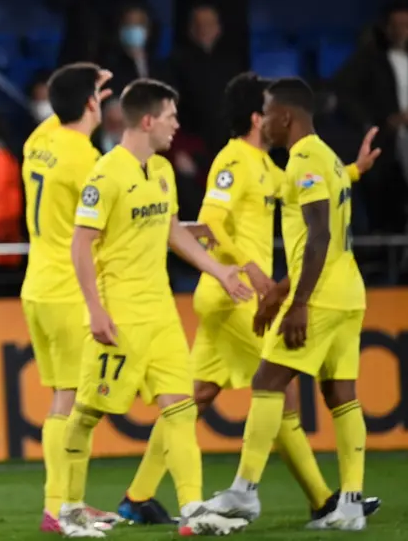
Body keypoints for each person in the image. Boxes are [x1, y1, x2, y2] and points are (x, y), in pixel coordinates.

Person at [117, 72, 382, 526]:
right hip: (235, 293)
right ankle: (322, 499)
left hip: (236, 296)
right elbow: (210, 220)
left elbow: (306, 191)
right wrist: (249, 266)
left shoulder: (269, 165)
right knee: (278, 392)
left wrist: (350, 171)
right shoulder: (232, 162)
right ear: (261, 116)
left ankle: (138, 497)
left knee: (194, 397)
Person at [58, 78, 253, 538]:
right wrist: (96, 309)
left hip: (162, 313)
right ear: (147, 120)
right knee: (87, 411)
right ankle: (68, 510)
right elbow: (81, 246)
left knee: (181, 410)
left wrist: (218, 269)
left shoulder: (162, 171)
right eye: (170, 116)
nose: (176, 125)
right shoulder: (106, 176)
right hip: (120, 316)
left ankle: (192, 509)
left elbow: (172, 230)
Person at [204, 78, 369, 531]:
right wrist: (277, 295)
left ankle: (245, 491)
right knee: (341, 396)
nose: (266, 122)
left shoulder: (305, 158)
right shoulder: (329, 158)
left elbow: (319, 236)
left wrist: (297, 305)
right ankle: (349, 505)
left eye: (269, 113)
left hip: (322, 297)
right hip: (348, 294)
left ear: (286, 116)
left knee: (267, 380)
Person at [20, 62, 123, 533]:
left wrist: (81, 87)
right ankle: (59, 506)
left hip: (37, 287)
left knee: (67, 399)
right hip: (70, 292)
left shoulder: (37, 142)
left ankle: (69, 503)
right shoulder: (88, 160)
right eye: (98, 97)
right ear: (90, 103)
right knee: (71, 403)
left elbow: (60, 109)